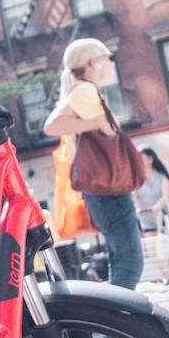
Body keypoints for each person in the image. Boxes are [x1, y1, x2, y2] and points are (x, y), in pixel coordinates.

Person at [43, 38, 144, 289]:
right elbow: (52, 125)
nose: (112, 63)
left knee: (122, 261)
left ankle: (110, 326)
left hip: (101, 189)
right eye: (109, 57)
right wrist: (96, 124)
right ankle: (111, 328)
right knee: (130, 263)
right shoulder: (85, 91)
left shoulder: (83, 90)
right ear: (93, 63)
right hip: (108, 190)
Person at [134, 146, 169, 235]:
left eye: (143, 159)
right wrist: (136, 208)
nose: (141, 162)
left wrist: (158, 206)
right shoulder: (136, 179)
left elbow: (166, 195)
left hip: (166, 215)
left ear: (151, 159)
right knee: (152, 243)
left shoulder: (162, 176)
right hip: (147, 218)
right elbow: (133, 197)